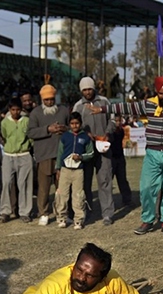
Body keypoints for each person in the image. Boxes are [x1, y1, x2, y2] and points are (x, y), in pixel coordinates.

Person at [89, 76, 163, 236]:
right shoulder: (148, 104)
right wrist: (102, 110)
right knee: (147, 188)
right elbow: (126, 108)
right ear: (157, 92)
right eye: (161, 93)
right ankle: (148, 220)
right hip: (152, 153)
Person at [72, 77, 116, 225]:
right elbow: (74, 126)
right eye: (84, 90)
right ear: (81, 91)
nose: (87, 92)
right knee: (85, 182)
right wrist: (86, 135)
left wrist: (108, 133)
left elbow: (113, 120)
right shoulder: (78, 106)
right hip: (86, 150)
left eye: (89, 89)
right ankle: (86, 212)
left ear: (93, 88)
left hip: (104, 147)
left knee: (105, 180)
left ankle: (107, 214)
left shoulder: (104, 101)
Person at [27, 84, 69, 226]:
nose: (50, 102)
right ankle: (43, 213)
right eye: (47, 100)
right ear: (42, 99)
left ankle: (61, 213)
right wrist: (47, 129)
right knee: (44, 188)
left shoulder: (63, 110)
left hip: (61, 155)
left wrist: (65, 128)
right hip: (44, 155)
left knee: (61, 187)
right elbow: (30, 132)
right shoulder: (35, 113)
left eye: (51, 99)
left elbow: (73, 126)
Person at [55, 112, 94, 229]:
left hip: (78, 170)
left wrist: (81, 157)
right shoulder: (65, 136)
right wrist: (58, 168)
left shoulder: (85, 137)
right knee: (62, 194)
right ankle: (62, 218)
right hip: (65, 169)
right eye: (72, 123)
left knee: (78, 195)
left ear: (80, 124)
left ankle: (79, 220)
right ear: (69, 124)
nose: (74, 126)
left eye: (77, 123)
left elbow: (91, 153)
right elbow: (60, 153)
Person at [0, 98, 33, 223]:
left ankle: (25, 212)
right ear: (9, 110)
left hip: (24, 154)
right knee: (7, 183)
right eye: (13, 110)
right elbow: (5, 136)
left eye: (18, 110)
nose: (15, 112)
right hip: (9, 155)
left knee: (24, 184)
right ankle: (5, 211)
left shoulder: (27, 121)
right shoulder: (4, 123)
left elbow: (30, 137)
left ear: (21, 110)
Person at [109, 115, 133, 207]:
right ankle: (108, 202)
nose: (117, 123)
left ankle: (127, 199)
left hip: (120, 157)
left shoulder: (121, 131)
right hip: (111, 158)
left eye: (119, 121)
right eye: (116, 121)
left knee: (122, 180)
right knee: (108, 181)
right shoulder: (109, 133)